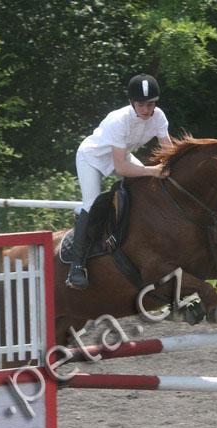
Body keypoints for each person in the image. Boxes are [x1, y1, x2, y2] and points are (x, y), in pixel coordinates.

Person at [66, 74, 173, 289]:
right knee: (92, 204)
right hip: (92, 158)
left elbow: (169, 152)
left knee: (146, 188)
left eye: (150, 104)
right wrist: (152, 171)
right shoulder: (119, 120)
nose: (146, 110)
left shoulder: (159, 117)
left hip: (121, 156)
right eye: (141, 104)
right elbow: (121, 167)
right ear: (132, 102)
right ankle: (76, 267)